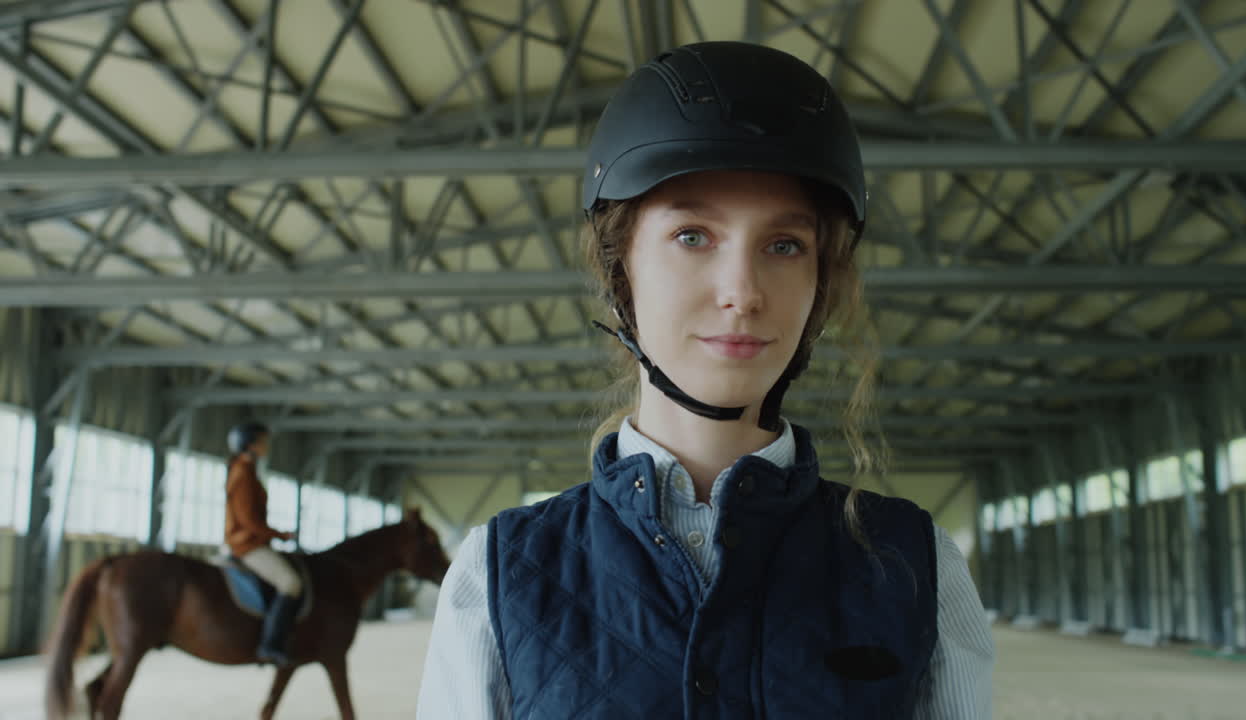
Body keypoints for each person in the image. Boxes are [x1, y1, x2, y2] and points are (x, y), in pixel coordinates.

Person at [418, 41, 993, 718]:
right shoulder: (496, 573)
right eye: (693, 236)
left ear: (819, 282)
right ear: (619, 269)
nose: (743, 292)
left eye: (784, 246)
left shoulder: (918, 564)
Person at [224, 420, 301, 667]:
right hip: (247, 545)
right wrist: (281, 535)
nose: (267, 446)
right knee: (291, 583)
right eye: (263, 441)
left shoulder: (247, 470)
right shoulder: (243, 474)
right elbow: (249, 521)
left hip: (253, 542)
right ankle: (270, 644)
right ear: (250, 445)